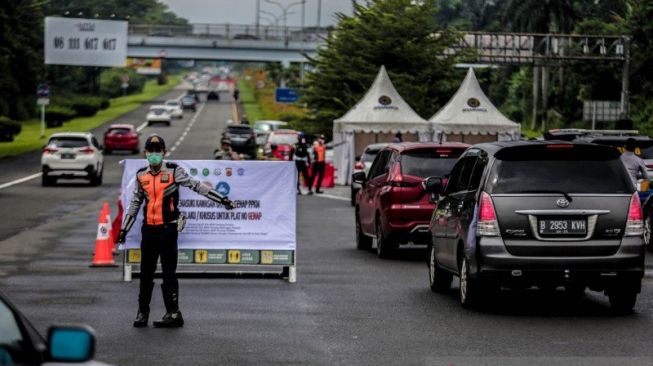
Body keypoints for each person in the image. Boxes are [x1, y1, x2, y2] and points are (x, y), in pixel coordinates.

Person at [117, 134, 235, 328]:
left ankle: (173, 313)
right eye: (151, 150)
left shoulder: (173, 171)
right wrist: (124, 230)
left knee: (168, 272)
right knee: (146, 272)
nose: (154, 154)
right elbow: (135, 203)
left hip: (168, 229)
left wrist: (221, 199)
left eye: (158, 150)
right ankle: (142, 313)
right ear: (145, 152)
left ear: (164, 152)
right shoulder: (141, 175)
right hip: (149, 230)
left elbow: (197, 186)